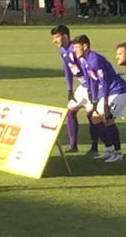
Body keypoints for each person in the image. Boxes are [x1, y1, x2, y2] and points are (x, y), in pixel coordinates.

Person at [73, 35, 126, 163]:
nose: (75, 50)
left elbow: (104, 82)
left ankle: (118, 152)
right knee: (94, 117)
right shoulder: (83, 60)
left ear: (85, 46)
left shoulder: (94, 60)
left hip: (118, 91)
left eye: (77, 47)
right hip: (109, 92)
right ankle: (109, 149)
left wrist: (104, 103)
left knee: (107, 119)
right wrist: (93, 100)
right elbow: (92, 81)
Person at [50, 25, 99, 156]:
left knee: (91, 114)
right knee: (71, 110)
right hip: (83, 85)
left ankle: (95, 147)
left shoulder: (75, 50)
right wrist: (69, 89)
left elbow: (87, 69)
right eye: (53, 38)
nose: (54, 40)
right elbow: (67, 69)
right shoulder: (62, 50)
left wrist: (90, 90)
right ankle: (73, 145)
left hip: (93, 85)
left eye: (56, 37)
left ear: (65, 36)